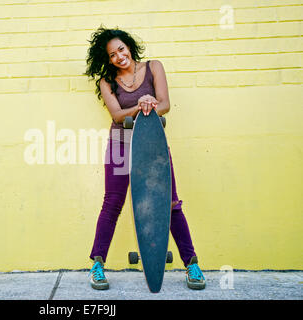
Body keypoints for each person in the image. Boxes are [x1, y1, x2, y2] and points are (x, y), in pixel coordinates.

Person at [84, 26, 205, 291]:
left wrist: (149, 105)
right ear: (107, 59)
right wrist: (142, 104)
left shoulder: (153, 67)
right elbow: (117, 115)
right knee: (112, 203)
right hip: (120, 145)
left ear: (129, 46)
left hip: (152, 145)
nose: (118, 56)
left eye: (121, 49)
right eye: (112, 55)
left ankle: (192, 264)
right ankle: (97, 265)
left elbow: (164, 104)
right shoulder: (107, 81)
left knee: (170, 203)